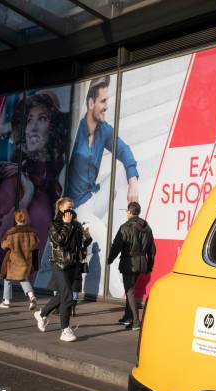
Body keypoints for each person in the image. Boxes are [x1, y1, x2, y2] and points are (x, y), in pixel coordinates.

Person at [0, 92, 69, 276]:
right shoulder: (12, 182)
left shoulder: (50, 186)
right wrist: (25, 199)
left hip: (41, 289)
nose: (33, 127)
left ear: (52, 128)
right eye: (29, 120)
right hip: (18, 290)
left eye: (42, 118)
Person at [63, 75, 139, 297]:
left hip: (92, 197)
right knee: (101, 234)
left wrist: (133, 179)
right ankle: (119, 295)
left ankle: (118, 230)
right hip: (76, 210)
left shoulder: (104, 130)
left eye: (107, 100)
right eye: (103, 101)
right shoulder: (76, 130)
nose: (106, 106)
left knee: (123, 172)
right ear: (90, 103)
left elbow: (124, 150)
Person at [34, 197, 91, 342]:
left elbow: (84, 243)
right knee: (67, 296)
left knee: (62, 295)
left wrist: (86, 234)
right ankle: (65, 329)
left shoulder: (77, 224)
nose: (70, 210)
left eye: (72, 207)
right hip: (59, 264)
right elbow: (60, 241)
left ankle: (42, 313)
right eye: (68, 207)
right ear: (60, 208)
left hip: (74, 264)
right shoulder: (55, 225)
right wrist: (66, 225)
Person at [107, 202, 156, 330]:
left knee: (130, 291)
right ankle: (127, 317)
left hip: (129, 262)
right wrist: (149, 266)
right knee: (131, 291)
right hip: (141, 263)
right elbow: (152, 250)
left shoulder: (125, 227)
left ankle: (135, 322)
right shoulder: (147, 227)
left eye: (127, 211)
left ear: (129, 212)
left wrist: (110, 259)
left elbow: (116, 245)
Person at [0, 209, 39, 310]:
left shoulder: (11, 232)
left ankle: (6, 301)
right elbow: (36, 244)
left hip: (14, 261)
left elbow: (3, 245)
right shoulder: (32, 232)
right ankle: (32, 296)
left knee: (7, 279)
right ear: (25, 220)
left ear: (16, 220)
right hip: (26, 261)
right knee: (23, 278)